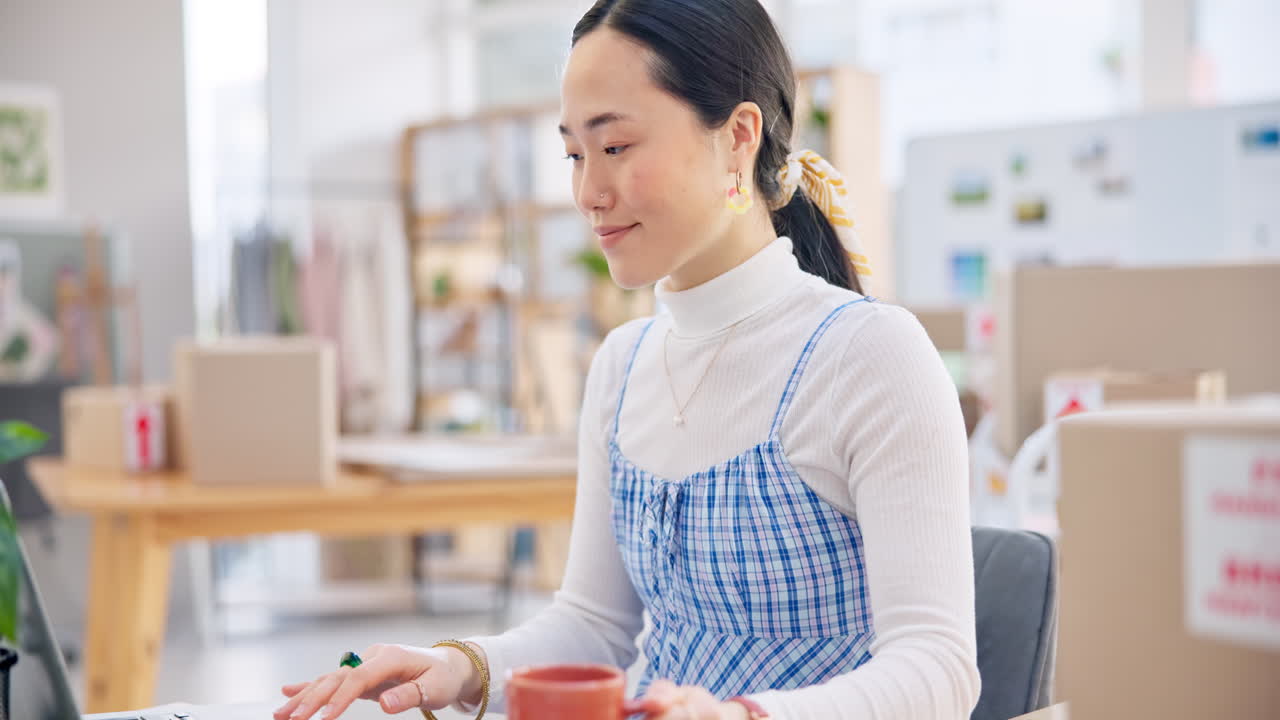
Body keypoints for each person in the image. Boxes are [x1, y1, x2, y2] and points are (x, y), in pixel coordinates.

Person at [274, 1, 979, 718]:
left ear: (737, 138)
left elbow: (939, 669)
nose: (587, 193)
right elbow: (593, 627)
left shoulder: (869, 357)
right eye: (575, 156)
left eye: (615, 149)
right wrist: (456, 666)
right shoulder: (623, 363)